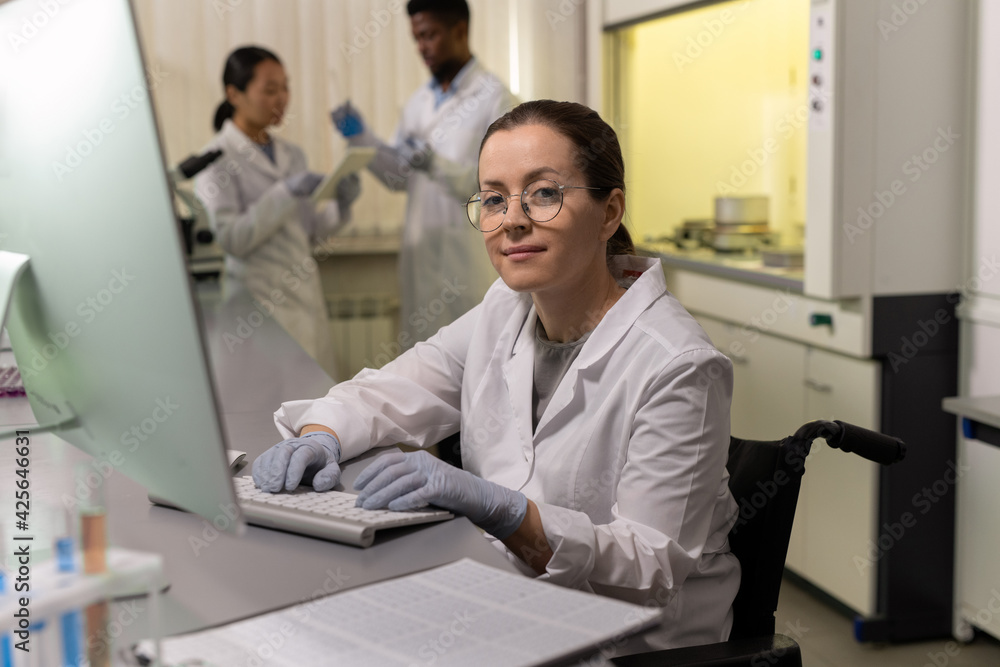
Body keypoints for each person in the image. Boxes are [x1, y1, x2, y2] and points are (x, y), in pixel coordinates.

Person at [252, 100, 741, 652]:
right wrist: (323, 435)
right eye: (493, 199)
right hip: (509, 600)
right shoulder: (505, 310)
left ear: (610, 213)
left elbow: (651, 568)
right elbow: (396, 388)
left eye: (545, 193)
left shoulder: (678, 365)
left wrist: (509, 513)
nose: (512, 219)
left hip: (629, 644)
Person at [330, 0, 516, 349]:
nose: (421, 48)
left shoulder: (495, 98)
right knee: (423, 377)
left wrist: (434, 164)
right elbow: (400, 178)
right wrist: (362, 139)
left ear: (460, 30)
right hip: (421, 265)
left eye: (429, 35)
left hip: (467, 264)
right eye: (416, 38)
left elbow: (499, 190)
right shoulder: (418, 103)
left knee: (474, 366)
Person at [195, 46, 360, 377]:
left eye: (285, 87)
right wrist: (284, 192)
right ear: (234, 93)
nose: (282, 98)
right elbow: (232, 239)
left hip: (305, 301)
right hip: (256, 310)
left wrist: (342, 204)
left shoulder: (292, 154)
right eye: (270, 90)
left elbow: (309, 230)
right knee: (268, 416)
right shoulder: (215, 160)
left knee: (315, 409)